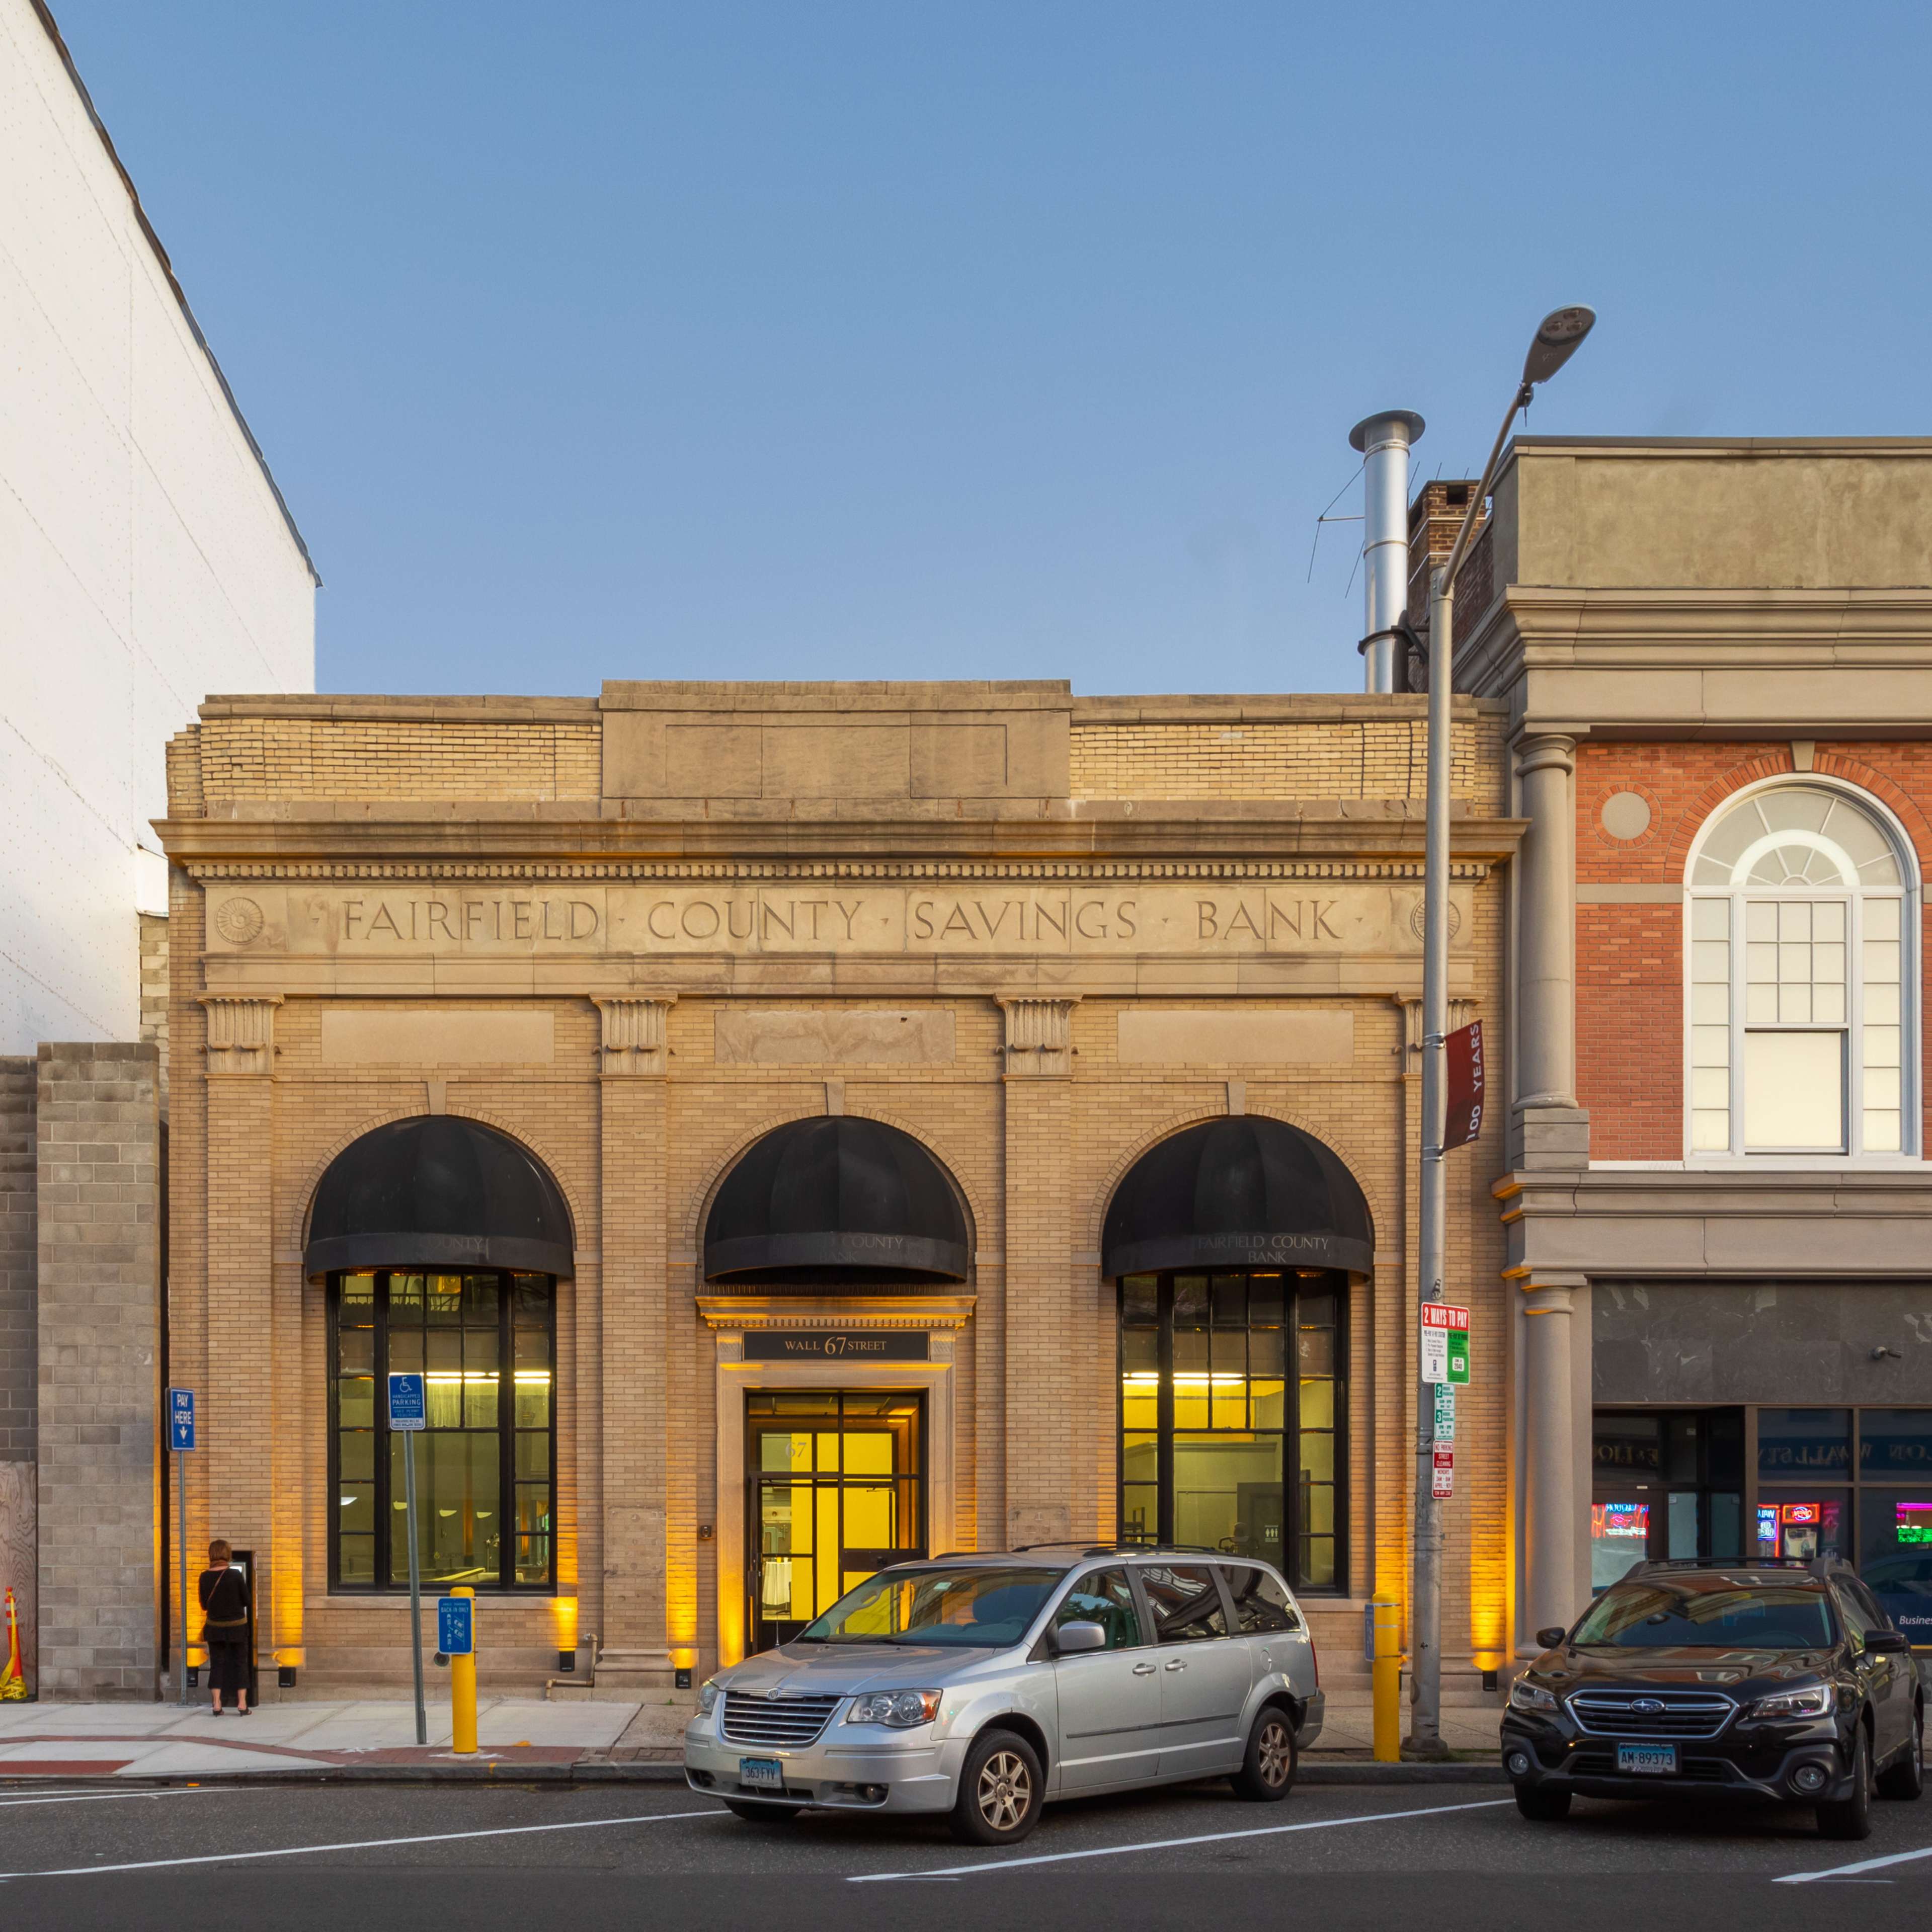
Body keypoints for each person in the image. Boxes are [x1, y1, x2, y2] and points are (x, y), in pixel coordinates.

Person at [198, 1540, 251, 1715]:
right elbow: (247, 1601)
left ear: (211, 1554)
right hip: (237, 1626)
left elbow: (204, 1605)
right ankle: (242, 1704)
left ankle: (217, 1704)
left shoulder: (204, 1577)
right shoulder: (235, 1575)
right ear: (227, 1554)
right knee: (240, 1663)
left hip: (214, 1627)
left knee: (217, 1664)